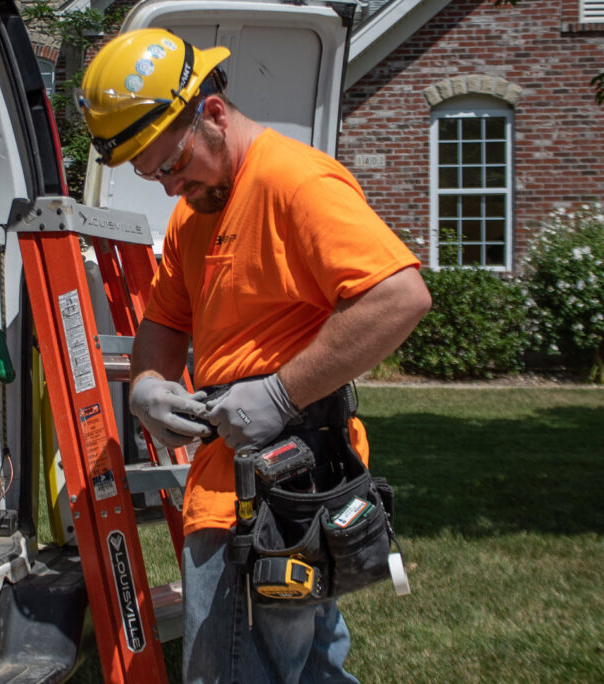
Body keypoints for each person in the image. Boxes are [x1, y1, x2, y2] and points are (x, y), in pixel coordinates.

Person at [76, 28, 431, 683]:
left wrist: (279, 394)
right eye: (153, 176)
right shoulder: (194, 213)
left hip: (282, 495)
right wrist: (151, 384)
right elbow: (164, 320)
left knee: (240, 671)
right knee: (306, 666)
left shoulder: (295, 181)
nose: (167, 187)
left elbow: (398, 297)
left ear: (212, 114)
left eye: (172, 165)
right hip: (245, 490)